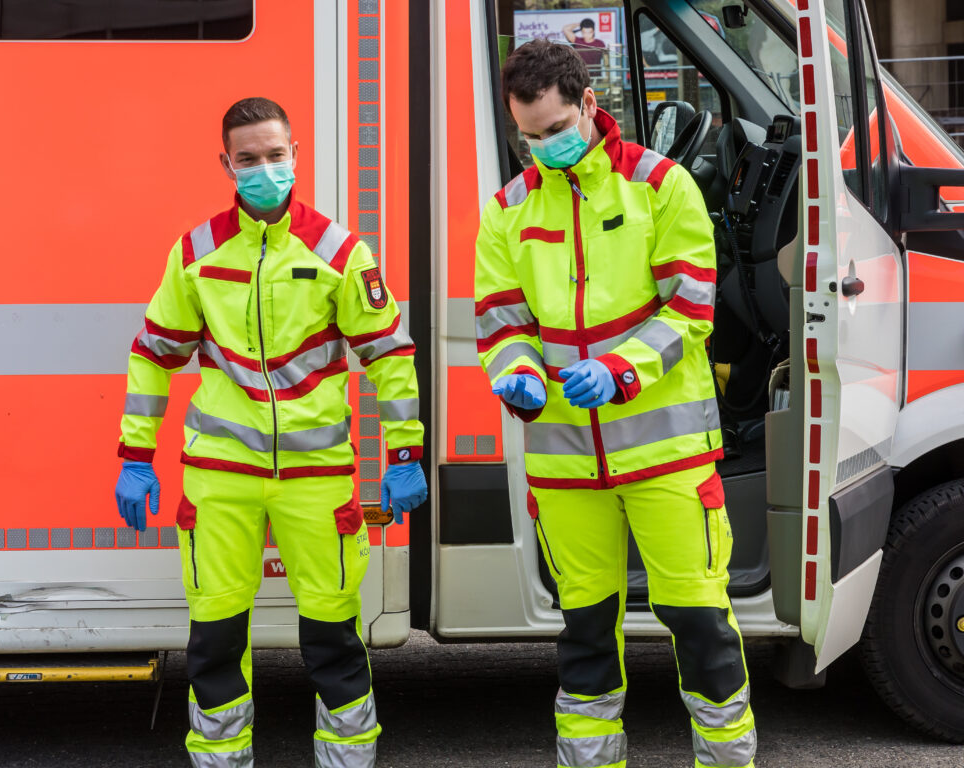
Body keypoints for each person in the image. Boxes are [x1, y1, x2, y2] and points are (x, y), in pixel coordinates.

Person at [114, 96, 427, 768]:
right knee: (215, 636)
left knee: (334, 634)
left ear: (295, 154)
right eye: (248, 159)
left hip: (317, 480)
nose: (264, 169)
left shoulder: (339, 251)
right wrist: (136, 454)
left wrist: (405, 452)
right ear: (226, 163)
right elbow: (154, 354)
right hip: (221, 477)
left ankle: (348, 757)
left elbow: (390, 356)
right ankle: (220, 758)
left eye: (275, 155)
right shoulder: (197, 252)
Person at [475, 41, 755, 768]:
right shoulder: (507, 210)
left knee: (700, 624)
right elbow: (501, 324)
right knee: (585, 635)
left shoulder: (659, 186)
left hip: (666, 454)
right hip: (565, 461)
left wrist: (620, 370)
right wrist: (517, 374)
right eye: (529, 137)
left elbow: (691, 306)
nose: (544, 147)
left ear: (589, 105)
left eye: (555, 128)